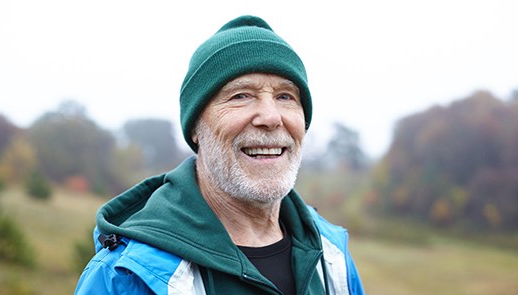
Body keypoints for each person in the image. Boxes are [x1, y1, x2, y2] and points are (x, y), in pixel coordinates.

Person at [75, 15, 365, 295]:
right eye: (241, 95)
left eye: (285, 96)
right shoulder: (124, 276)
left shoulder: (332, 256)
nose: (270, 117)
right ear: (196, 129)